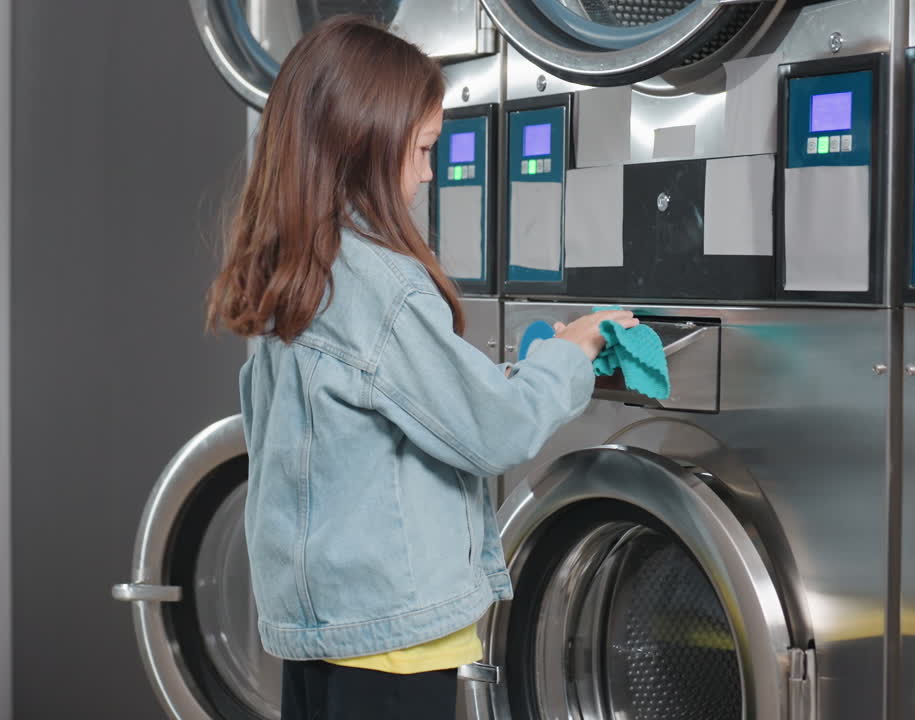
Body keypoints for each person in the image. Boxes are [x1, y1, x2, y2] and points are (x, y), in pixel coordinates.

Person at [205, 15, 637, 720]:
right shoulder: (381, 285)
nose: (432, 172)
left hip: (315, 623)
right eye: (426, 149)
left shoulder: (291, 272)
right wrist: (571, 353)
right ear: (365, 145)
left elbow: (359, 418)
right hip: (393, 635)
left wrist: (493, 376)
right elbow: (496, 433)